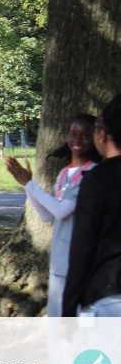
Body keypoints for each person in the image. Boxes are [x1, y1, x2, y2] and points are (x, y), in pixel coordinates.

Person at [4, 114, 100, 316]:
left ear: (95, 138)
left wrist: (29, 184)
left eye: (85, 135)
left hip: (78, 259)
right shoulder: (65, 173)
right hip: (58, 260)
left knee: (75, 318)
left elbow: (61, 210)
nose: (77, 140)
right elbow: (47, 215)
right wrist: (26, 185)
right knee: (58, 317)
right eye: (73, 134)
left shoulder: (93, 173)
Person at [63, 94, 121, 317]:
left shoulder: (97, 179)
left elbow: (82, 248)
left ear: (102, 135)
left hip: (109, 294)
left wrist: (68, 309)